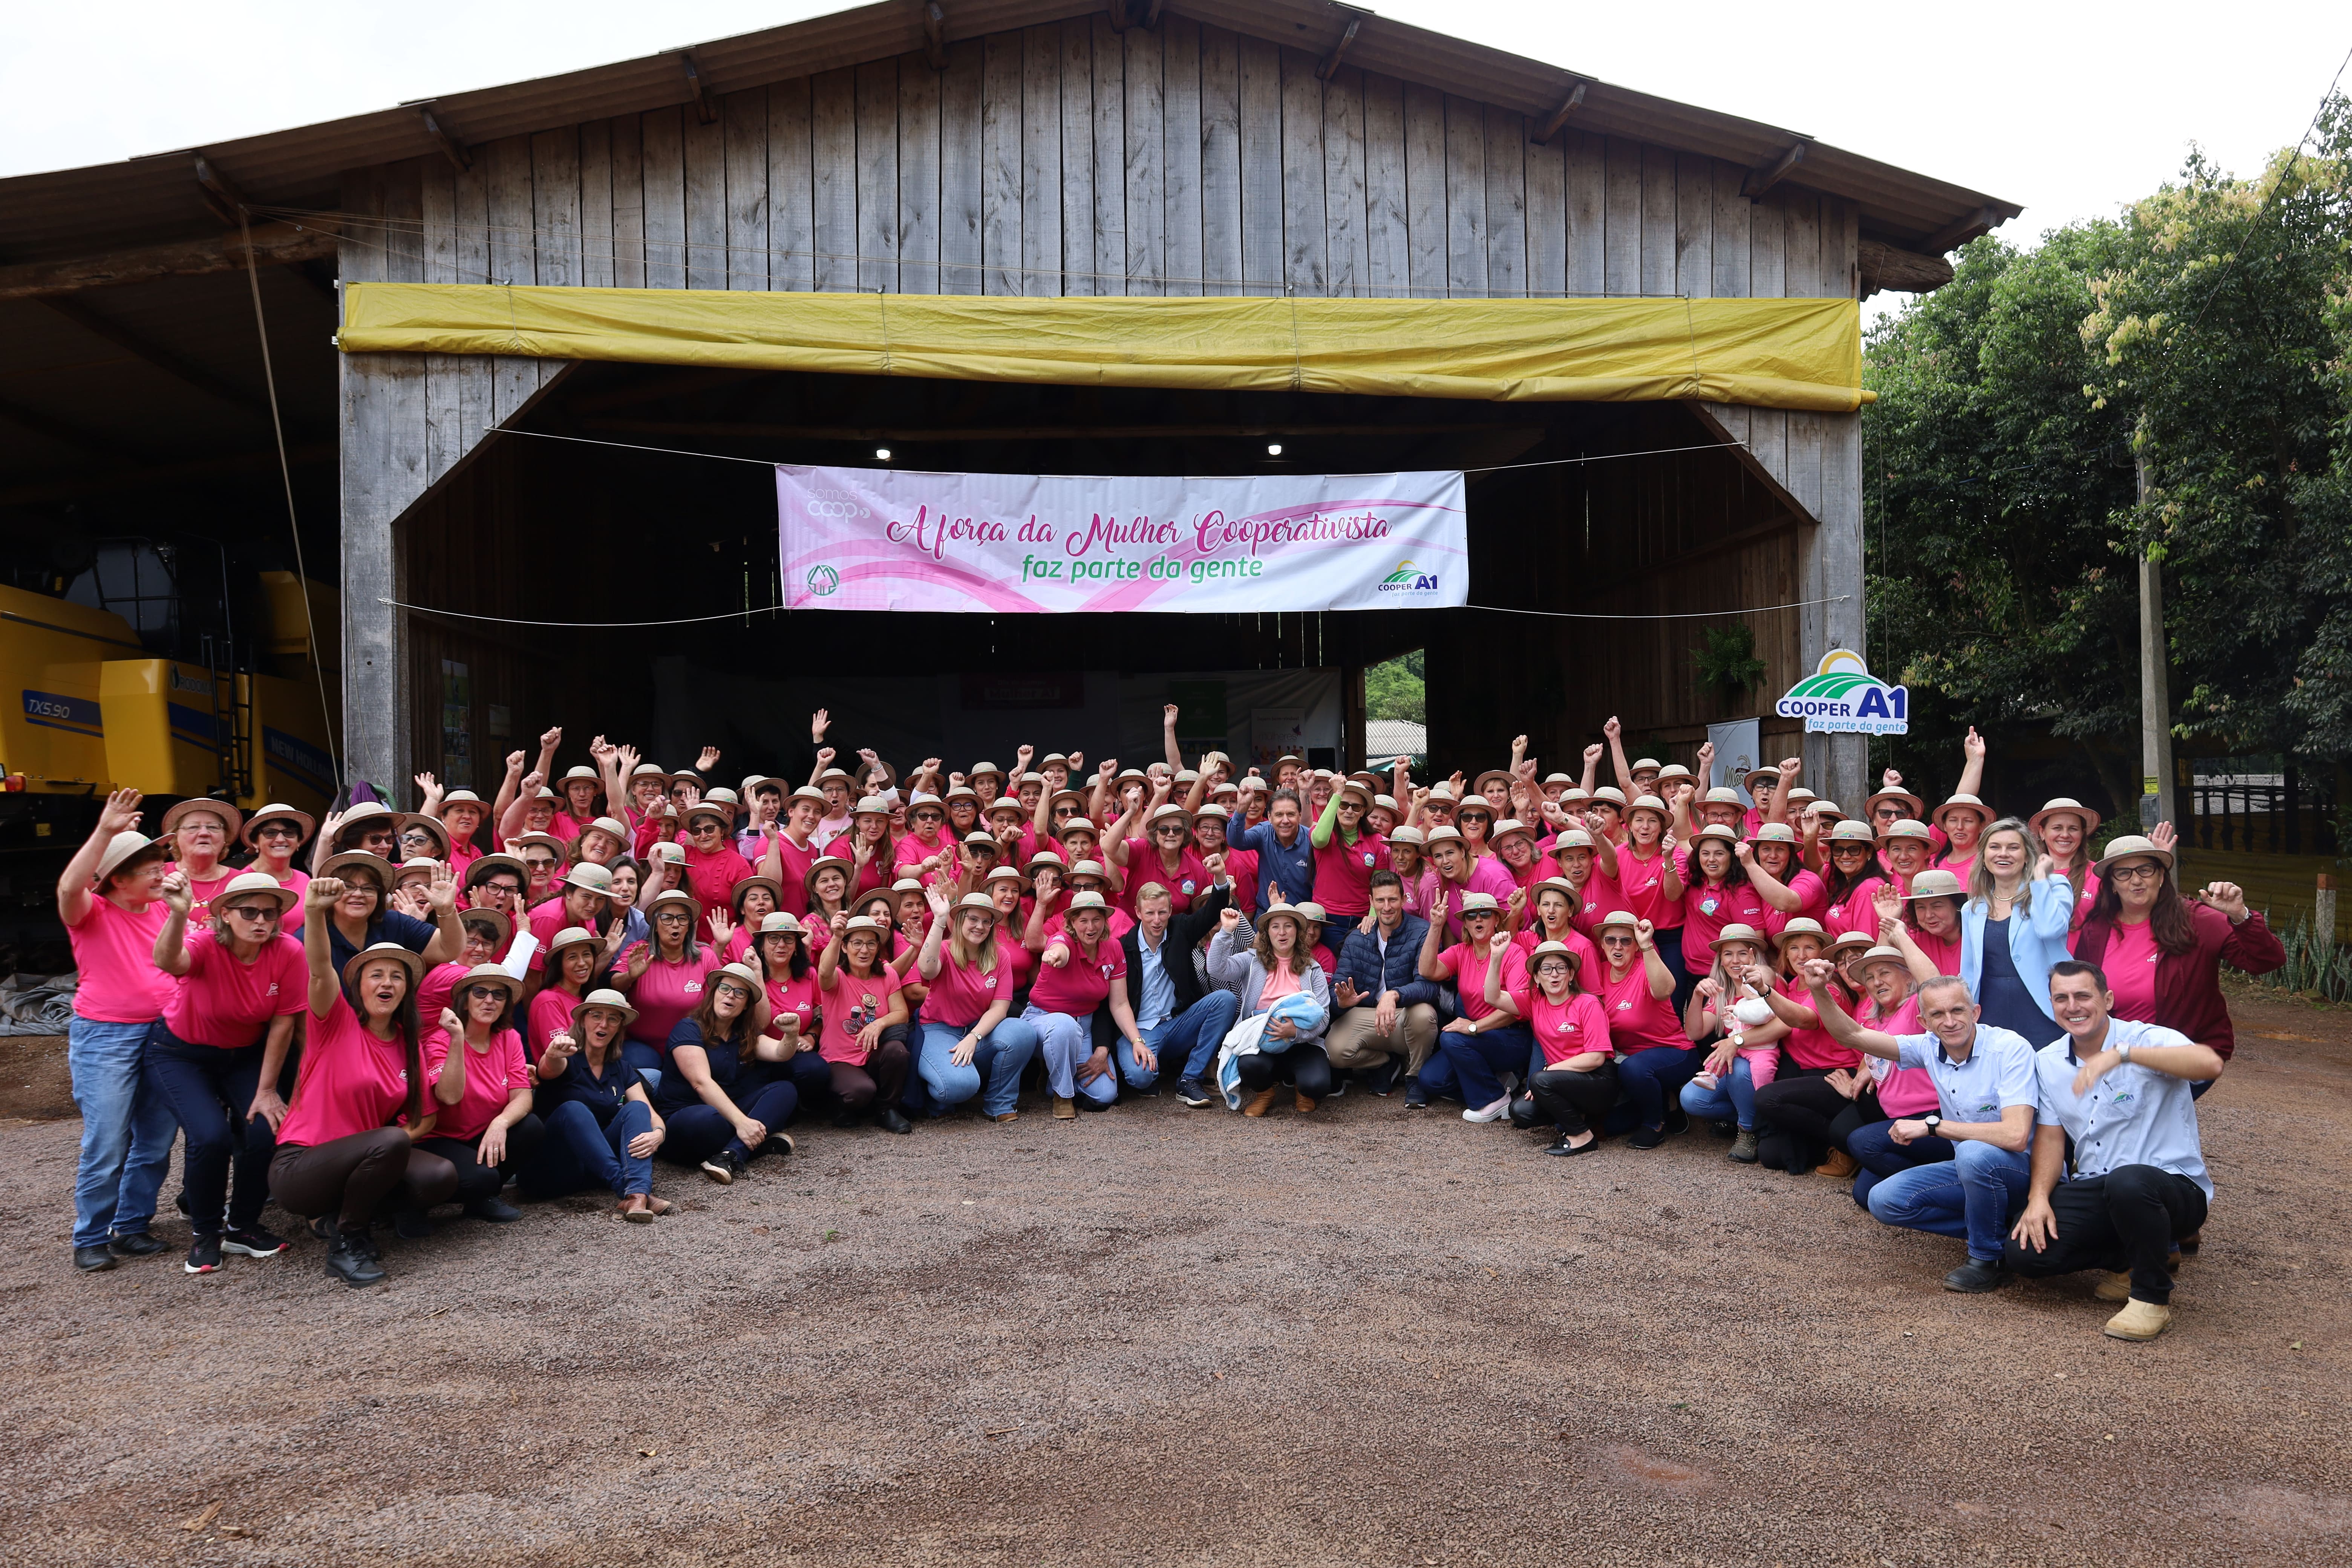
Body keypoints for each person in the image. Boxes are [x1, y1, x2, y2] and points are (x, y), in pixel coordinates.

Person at [2004, 960, 2221, 1341]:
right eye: (2062, 998)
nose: (2073, 1006)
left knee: (2129, 1180)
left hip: (2174, 1190)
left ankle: (2150, 1297)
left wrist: (2123, 1054)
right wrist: (2039, 1197)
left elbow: (2210, 1063)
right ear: (2052, 1004)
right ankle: (2127, 1259)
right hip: (2101, 1189)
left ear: (2107, 998)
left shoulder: (2148, 1038)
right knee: (2025, 1253)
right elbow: (2052, 1138)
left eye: (2083, 995)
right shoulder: (2048, 1061)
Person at [1802, 962, 2037, 1293]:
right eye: (1938, 1015)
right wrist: (1818, 990)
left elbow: (2016, 1135)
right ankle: (1999, 1228)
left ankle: (1987, 1258)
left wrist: (1933, 1127)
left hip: (2023, 1171)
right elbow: (1851, 1034)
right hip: (1970, 1167)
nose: (1950, 1021)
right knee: (1883, 1199)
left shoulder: (2009, 1049)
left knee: (1971, 1153)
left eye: (1958, 1010)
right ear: (1923, 1022)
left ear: (1976, 1012)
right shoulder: (1927, 1045)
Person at [270, 879, 460, 1288]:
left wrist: (381, 1156)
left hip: (363, 1159)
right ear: (356, 985)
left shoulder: (409, 1044)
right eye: (376, 975)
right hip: (302, 1167)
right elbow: (320, 968)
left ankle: (357, 1211)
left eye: (397, 976)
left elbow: (424, 1117)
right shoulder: (334, 1023)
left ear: (407, 989)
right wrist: (315, 912)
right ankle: (348, 1240)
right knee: (390, 1141)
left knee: (439, 1174)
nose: (387, 983)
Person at [144, 869, 303, 1274]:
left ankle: (243, 1225)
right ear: (226, 915)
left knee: (264, 1127)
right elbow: (168, 960)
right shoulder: (204, 943)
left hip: (244, 1054)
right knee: (209, 1135)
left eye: (270, 913)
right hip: (180, 1052)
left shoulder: (287, 951)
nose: (261, 921)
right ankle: (205, 1231)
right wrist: (178, 914)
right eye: (249, 912)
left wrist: (267, 1090)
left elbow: (284, 1022)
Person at [58, 791, 180, 1272]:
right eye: (149, 865)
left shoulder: (164, 910)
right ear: (117, 879)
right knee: (107, 1139)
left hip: (164, 1035)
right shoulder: (91, 913)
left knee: (155, 1138)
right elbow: (70, 887)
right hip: (106, 1036)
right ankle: (90, 1236)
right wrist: (106, 831)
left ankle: (132, 1226)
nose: (161, 870)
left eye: (159, 861)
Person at [2070, 834, 2283, 1082]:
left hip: (2185, 1056)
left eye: (2145, 870)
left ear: (2161, 876)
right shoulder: (2097, 930)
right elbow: (2084, 991)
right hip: (2118, 1057)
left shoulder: (2197, 921)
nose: (2136, 880)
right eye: (2124, 873)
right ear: (2112, 885)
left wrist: (2240, 917)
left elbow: (2267, 962)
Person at [413, 965, 544, 1229]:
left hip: (479, 1134)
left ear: (506, 1004)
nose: (489, 1000)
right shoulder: (441, 1040)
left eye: (499, 995)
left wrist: (500, 1123)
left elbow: (522, 1097)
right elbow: (448, 1097)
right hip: (437, 1140)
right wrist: (458, 1039)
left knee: (531, 1128)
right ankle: (410, 1205)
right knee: (480, 1177)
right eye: (480, 992)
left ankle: (481, 1200)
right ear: (465, 1000)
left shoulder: (509, 1038)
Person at [522, 989, 669, 1220]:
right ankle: (635, 1193)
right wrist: (552, 1054)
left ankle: (636, 1193)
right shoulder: (566, 1057)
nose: (604, 1024)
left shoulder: (621, 1067)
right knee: (574, 1109)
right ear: (582, 1020)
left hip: (595, 1171)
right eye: (596, 1016)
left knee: (638, 1108)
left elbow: (649, 1113)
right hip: (552, 1170)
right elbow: (548, 1068)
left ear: (620, 1027)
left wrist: (659, 1133)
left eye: (613, 1019)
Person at [655, 962, 801, 1181]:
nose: (731, 996)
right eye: (725, 989)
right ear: (713, 994)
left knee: (785, 1090)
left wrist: (791, 1035)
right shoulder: (688, 1028)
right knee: (708, 1120)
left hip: (727, 1113)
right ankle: (755, 1146)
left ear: (745, 1006)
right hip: (685, 1117)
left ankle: (731, 1154)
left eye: (740, 993)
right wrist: (742, 1123)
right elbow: (701, 1083)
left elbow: (781, 1054)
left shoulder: (744, 1034)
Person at [912, 888, 1041, 1122]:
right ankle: (937, 1095)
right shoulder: (945, 950)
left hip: (977, 1030)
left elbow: (1000, 1008)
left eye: (986, 921)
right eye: (973, 919)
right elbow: (926, 970)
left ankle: (999, 1103)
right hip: (939, 1028)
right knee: (960, 1086)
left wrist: (974, 1037)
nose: (979, 926)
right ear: (961, 920)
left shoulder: (1000, 956)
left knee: (1023, 1031)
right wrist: (940, 921)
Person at [1108, 878, 1238, 1107]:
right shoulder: (1123, 947)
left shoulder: (1181, 929)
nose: (1157, 921)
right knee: (1140, 1078)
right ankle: (1155, 1070)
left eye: (1162, 912)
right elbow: (1117, 1004)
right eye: (1150, 913)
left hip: (1178, 1023)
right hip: (1141, 1030)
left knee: (1225, 1000)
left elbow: (1210, 913)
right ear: (1138, 912)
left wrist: (1220, 879)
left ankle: (1190, 1078)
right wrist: (1135, 1041)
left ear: (1170, 910)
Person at [1207, 902, 1335, 1115]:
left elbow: (1323, 1017)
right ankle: (1265, 1094)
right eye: (1275, 927)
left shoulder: (1313, 969)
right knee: (1248, 1065)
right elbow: (1216, 969)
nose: (1282, 933)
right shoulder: (1251, 961)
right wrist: (1226, 931)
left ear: (1298, 932)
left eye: (1288, 926)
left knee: (1318, 1085)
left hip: (1303, 1043)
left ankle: (1302, 1091)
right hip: (1262, 1042)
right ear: (1267, 933)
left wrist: (1296, 1032)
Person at [1024, 893, 1143, 1119]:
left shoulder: (1114, 948)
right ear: (1071, 923)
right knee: (1064, 1026)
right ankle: (1063, 1094)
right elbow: (1059, 948)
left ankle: (1053, 1079)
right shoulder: (1063, 940)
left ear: (1105, 922)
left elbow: (1119, 1004)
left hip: (1085, 1027)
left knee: (1106, 1095)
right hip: (1043, 1020)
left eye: (1097, 919)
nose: (1091, 927)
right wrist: (1054, 955)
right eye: (1083, 921)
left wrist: (1136, 1041)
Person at [1325, 870, 1441, 1096]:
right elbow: (1335, 989)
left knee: (1424, 1015)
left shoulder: (1422, 932)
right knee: (1333, 1051)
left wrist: (1394, 995)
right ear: (1371, 902)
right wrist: (1342, 1001)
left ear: (1404, 900)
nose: (1387, 907)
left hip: (1403, 1016)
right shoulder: (1358, 938)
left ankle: (1415, 1076)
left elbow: (1429, 986)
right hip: (1369, 1016)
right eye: (1380, 900)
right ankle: (1384, 1063)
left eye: (1393, 900)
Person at [1958, 819, 2075, 1043]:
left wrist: (2040, 878)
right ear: (1984, 857)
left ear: (2027, 856)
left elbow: (2050, 930)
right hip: (1990, 1014)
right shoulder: (1972, 908)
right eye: (1995, 847)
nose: (2004, 854)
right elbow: (1970, 971)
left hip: (2044, 1011)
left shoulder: (2054, 887)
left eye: (2013, 848)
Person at [1418, 891, 1530, 1122]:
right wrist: (1436, 926)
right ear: (1465, 924)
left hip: (1510, 1037)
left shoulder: (1514, 952)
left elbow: (1518, 1009)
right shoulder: (1461, 951)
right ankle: (1495, 1083)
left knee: (1451, 1039)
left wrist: (1474, 1027)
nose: (1478, 920)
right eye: (1471, 916)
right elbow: (1427, 971)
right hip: (1475, 1039)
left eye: (1485, 914)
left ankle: (1494, 1099)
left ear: (1497, 919)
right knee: (1431, 1079)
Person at [1591, 912, 1690, 1148]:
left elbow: (1666, 990)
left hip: (1672, 1052)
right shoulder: (1600, 973)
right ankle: (1666, 1104)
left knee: (1634, 1068)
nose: (1618, 947)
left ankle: (1654, 1124)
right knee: (1609, 1126)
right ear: (1601, 944)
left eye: (1626, 941)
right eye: (1610, 940)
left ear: (1635, 945)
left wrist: (1647, 946)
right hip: (1625, 1060)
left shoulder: (1645, 966)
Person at [813, 915, 916, 1130]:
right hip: (840, 1060)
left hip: (872, 1054)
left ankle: (887, 1109)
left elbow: (901, 1013)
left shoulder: (887, 974)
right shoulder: (837, 977)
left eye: (871, 943)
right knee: (861, 1092)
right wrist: (836, 935)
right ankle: (839, 1105)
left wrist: (878, 1024)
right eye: (857, 943)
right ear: (845, 947)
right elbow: (823, 972)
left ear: (878, 947)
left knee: (897, 1051)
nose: (864, 950)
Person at [614, 888, 721, 1084]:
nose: (676, 925)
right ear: (655, 925)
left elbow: (718, 1003)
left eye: (682, 919)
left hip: (692, 1043)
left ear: (689, 926)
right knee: (647, 1077)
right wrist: (631, 975)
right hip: (641, 1044)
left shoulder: (706, 957)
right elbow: (614, 985)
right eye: (667, 918)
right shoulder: (639, 951)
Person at [1521, 940, 1616, 1156]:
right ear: (1537, 977)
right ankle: (1578, 1119)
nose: (1554, 974)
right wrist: (1497, 957)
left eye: (1561, 968)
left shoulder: (1588, 1003)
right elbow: (1493, 997)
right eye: (1546, 969)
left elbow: (1596, 1059)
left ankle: (1582, 1136)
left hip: (1598, 1079)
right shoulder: (1536, 1001)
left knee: (1538, 1081)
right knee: (1520, 1112)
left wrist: (1548, 1072)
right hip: (1563, 1081)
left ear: (1571, 975)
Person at [157, 798, 242, 931]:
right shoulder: (156, 876)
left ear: (225, 839)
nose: (204, 833)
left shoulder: (241, 882)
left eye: (213, 827)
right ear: (176, 839)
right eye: (193, 827)